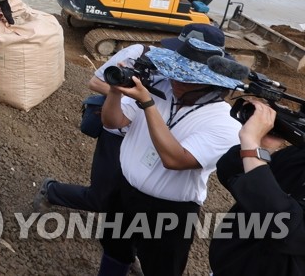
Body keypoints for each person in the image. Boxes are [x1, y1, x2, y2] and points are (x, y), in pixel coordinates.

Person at [34, 24, 230, 214]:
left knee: (126, 190)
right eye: (181, 53)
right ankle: (52, 191)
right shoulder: (140, 53)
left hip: (150, 135)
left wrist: (143, 99)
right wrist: (127, 93)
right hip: (120, 133)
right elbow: (95, 82)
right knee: (102, 196)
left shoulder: (205, 105)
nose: (177, 75)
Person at [98, 36, 242, 276]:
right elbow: (111, 122)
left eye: (185, 79)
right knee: (114, 249)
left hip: (170, 210)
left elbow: (175, 159)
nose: (175, 81)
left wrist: (147, 103)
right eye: (174, 73)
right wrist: (114, 92)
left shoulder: (226, 124)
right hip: (125, 191)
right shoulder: (160, 87)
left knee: (162, 269)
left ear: (210, 85)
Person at [209, 98, 305, 275]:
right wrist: (263, 147)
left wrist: (251, 147)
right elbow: (229, 173)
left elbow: (286, 228)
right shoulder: (297, 155)